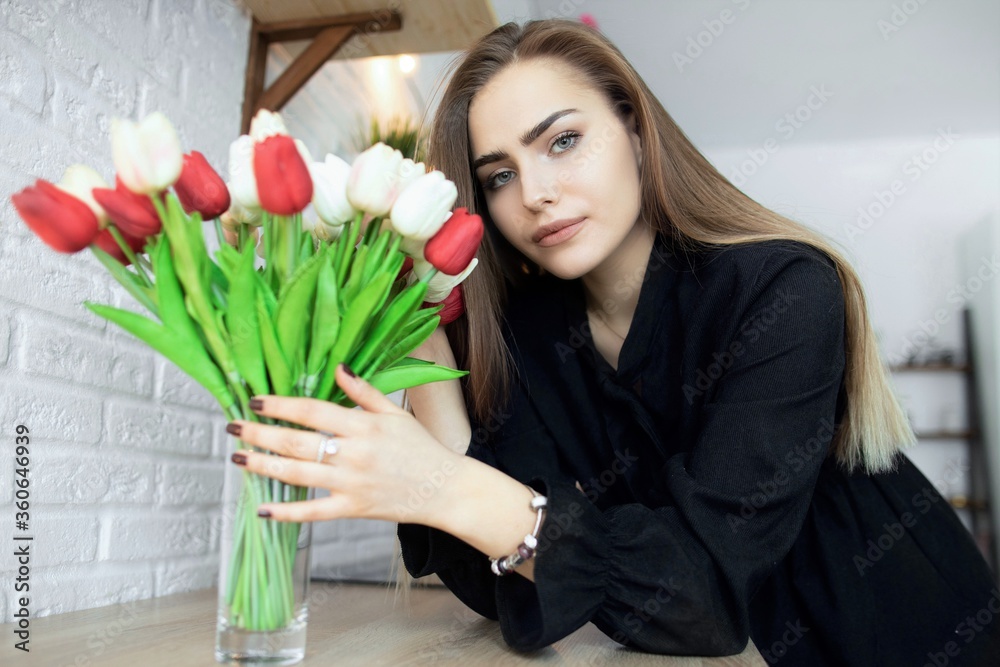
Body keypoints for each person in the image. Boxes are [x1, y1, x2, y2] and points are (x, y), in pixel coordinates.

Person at [227, 19, 1000, 665]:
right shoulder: (529, 335)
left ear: (634, 128)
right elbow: (507, 579)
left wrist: (443, 486)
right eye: (498, 175)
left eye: (562, 141)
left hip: (903, 630)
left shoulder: (782, 290)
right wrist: (429, 333)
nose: (535, 193)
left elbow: (704, 594)